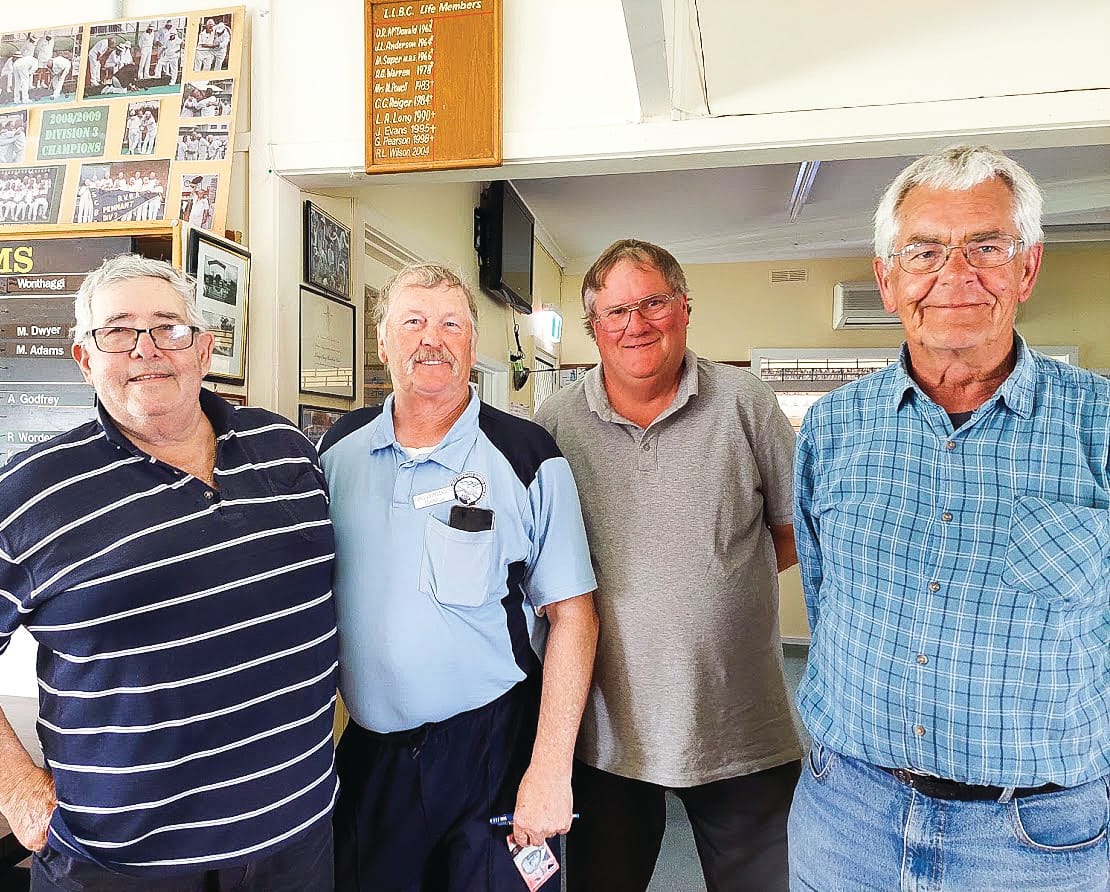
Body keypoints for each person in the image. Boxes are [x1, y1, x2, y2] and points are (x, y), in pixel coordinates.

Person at [0, 256, 339, 891]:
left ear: (204, 349)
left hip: (295, 843)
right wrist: (17, 792)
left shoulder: (290, 452)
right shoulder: (27, 496)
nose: (147, 350)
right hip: (122, 866)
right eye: (117, 330)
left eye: (169, 327)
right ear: (85, 359)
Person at [789, 144, 1110, 891]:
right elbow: (825, 595)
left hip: (1037, 845)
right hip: (846, 820)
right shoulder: (832, 428)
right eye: (924, 251)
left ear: (1026, 268)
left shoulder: (1099, 425)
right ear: (888, 277)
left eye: (985, 246)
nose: (954, 274)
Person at [319, 263, 598, 892]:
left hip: (494, 749)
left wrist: (551, 767)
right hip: (372, 755)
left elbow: (574, 615)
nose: (431, 338)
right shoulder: (337, 452)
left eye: (451, 323)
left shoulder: (527, 455)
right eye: (412, 322)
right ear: (383, 341)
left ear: (473, 344)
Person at [534, 240, 802, 892]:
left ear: (685, 308)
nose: (637, 323)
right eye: (617, 310)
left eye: (654, 301)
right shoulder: (557, 421)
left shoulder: (746, 402)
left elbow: (793, 530)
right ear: (594, 327)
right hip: (604, 730)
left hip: (740, 724)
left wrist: (715, 583)